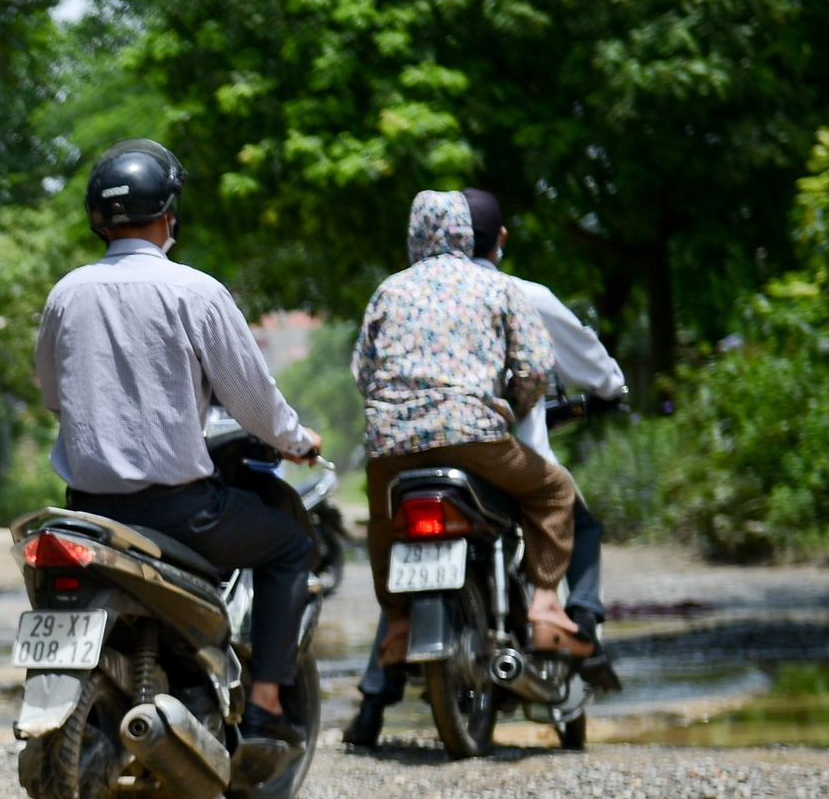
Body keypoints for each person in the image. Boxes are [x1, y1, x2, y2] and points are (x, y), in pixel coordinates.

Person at [34, 139, 323, 761]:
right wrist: (297, 442)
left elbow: (55, 396)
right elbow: (254, 402)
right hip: (181, 515)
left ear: (96, 218)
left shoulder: (66, 294)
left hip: (89, 514)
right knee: (290, 546)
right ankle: (269, 703)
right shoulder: (195, 291)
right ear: (170, 215)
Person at [345, 189, 624, 745]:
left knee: (384, 524)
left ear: (413, 235)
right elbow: (537, 367)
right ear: (469, 236)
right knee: (553, 494)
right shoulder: (499, 287)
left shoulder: (388, 289)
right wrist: (514, 407)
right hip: (475, 437)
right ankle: (546, 606)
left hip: (392, 446)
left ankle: (398, 625)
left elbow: (362, 371)